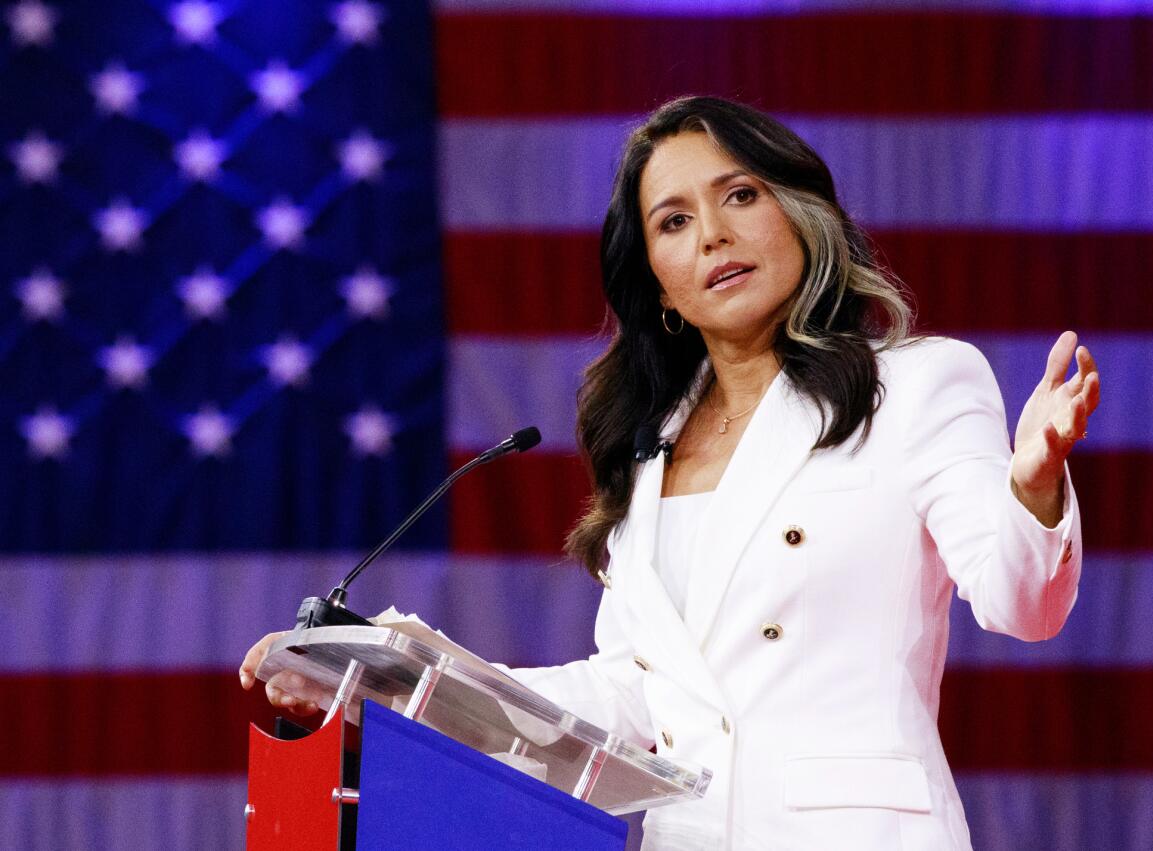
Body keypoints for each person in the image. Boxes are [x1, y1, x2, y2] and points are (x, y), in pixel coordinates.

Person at [241, 96, 1100, 850]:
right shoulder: (652, 448)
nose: (714, 235)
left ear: (799, 214)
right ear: (657, 283)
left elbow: (1021, 604)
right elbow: (630, 695)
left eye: (739, 195)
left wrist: (1032, 483)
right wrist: (397, 686)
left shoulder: (914, 383)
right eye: (674, 221)